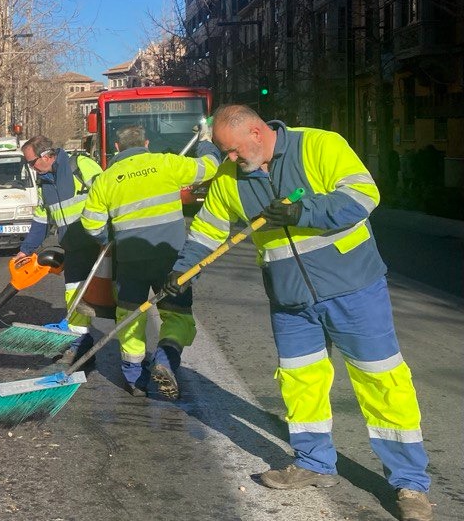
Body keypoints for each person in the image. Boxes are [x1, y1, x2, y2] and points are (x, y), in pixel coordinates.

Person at [169, 105, 431, 521]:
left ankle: (410, 484)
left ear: (257, 132)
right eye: (225, 153)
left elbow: (364, 196)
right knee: (300, 382)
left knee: (382, 380)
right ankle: (313, 463)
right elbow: (207, 231)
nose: (231, 161)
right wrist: (180, 274)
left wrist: (301, 211)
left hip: (354, 287)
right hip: (290, 298)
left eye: (234, 151)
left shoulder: (319, 145)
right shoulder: (230, 179)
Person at [79, 123, 219, 398]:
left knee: (130, 316)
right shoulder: (166, 163)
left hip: (130, 260)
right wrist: (205, 141)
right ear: (145, 144)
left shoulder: (107, 179)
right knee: (178, 314)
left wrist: (108, 236)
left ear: (117, 148)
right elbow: (209, 167)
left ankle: (135, 380)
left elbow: (90, 224)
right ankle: (165, 360)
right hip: (172, 259)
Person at [17, 136, 107, 360]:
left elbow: (108, 192)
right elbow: (41, 219)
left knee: (112, 298)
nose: (31, 168)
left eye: (31, 162)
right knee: (74, 295)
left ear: (46, 155)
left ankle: (134, 357)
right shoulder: (44, 183)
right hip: (74, 248)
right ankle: (81, 346)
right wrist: (26, 250)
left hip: (99, 244)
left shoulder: (80, 165)